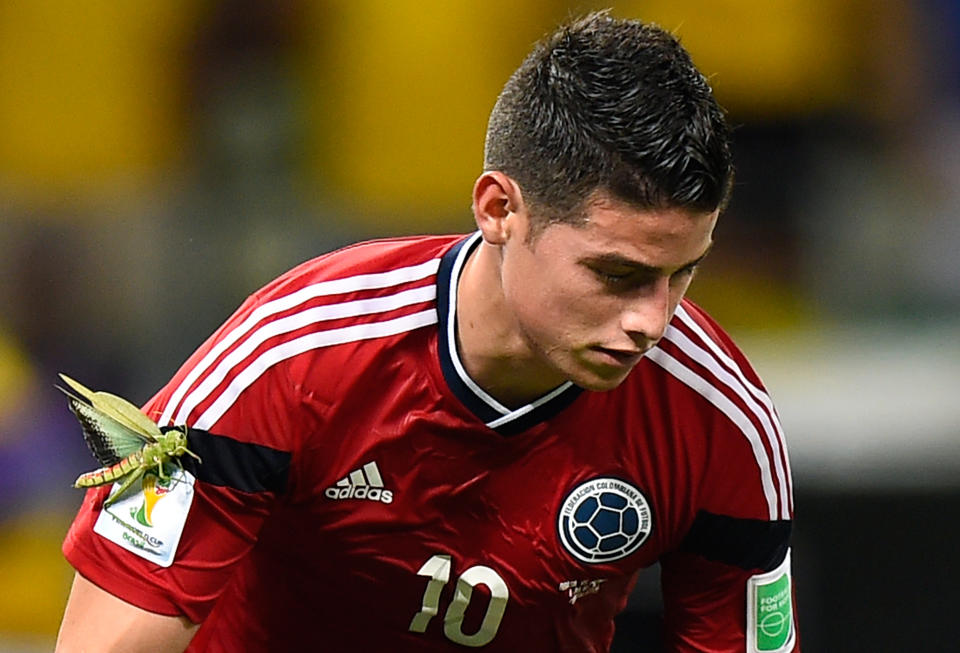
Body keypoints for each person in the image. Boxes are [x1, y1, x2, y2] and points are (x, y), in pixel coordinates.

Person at [56, 12, 798, 653]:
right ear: (500, 210)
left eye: (683, 273)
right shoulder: (285, 360)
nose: (653, 319)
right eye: (618, 274)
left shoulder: (723, 422)